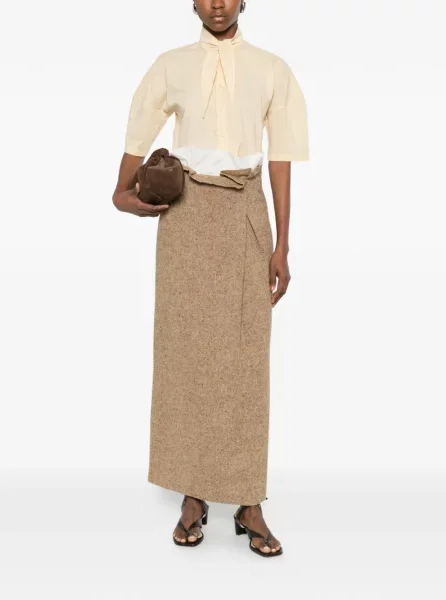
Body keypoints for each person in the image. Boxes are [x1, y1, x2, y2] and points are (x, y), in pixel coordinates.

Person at [112, 0, 309, 557]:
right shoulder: (170, 64)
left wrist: (282, 243)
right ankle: (193, 494)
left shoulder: (272, 68)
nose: (217, 3)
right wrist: (122, 192)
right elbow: (138, 131)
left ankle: (249, 500)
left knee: (246, 359)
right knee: (187, 356)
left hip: (246, 209)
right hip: (186, 216)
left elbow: (281, 158)